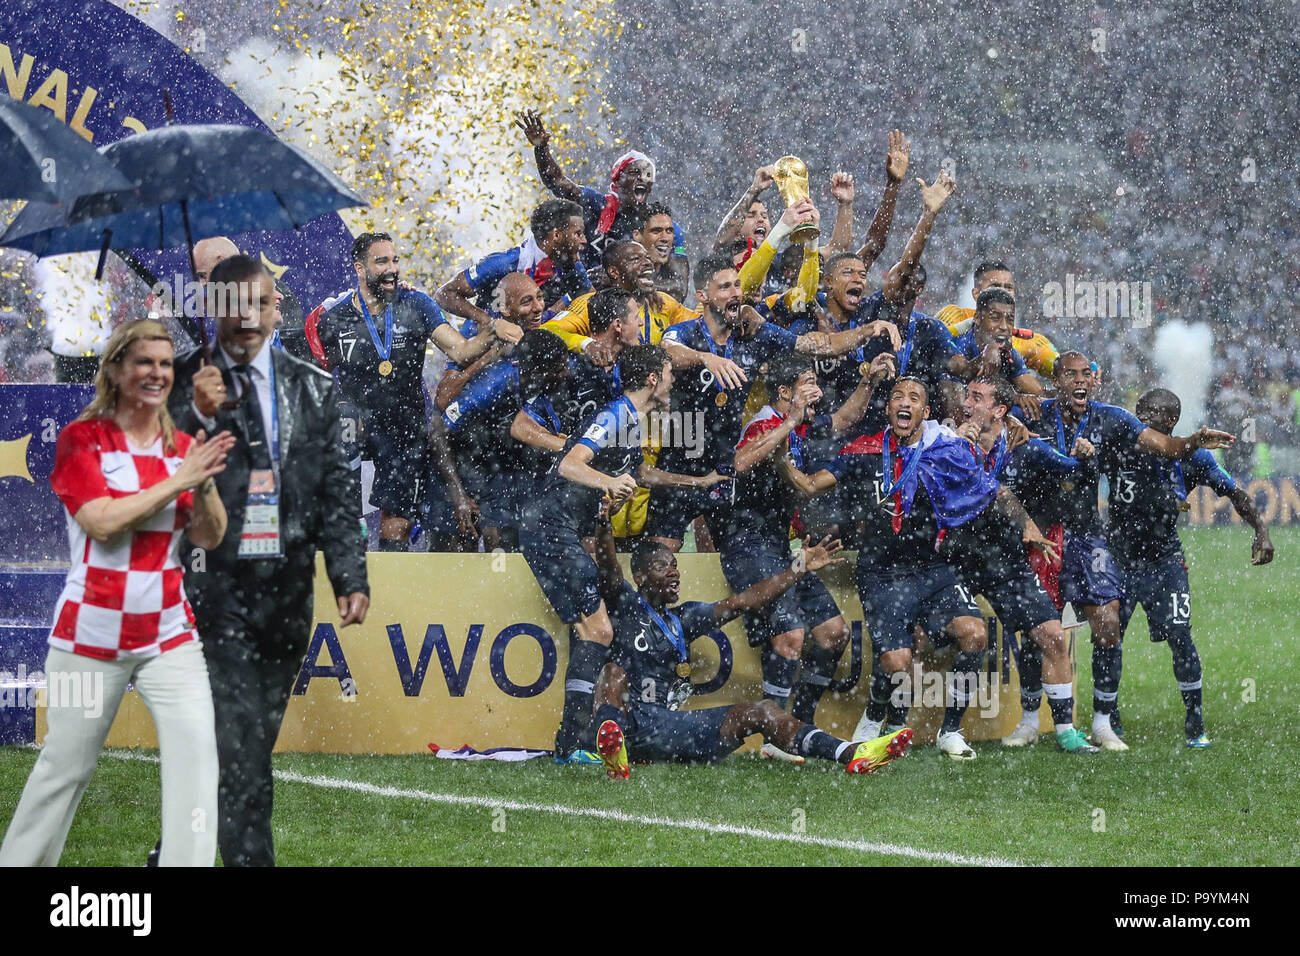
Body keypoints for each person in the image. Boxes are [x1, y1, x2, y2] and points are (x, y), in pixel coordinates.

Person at [0, 320, 234, 867]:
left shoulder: (182, 446)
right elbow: (103, 522)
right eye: (143, 362)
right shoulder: (81, 440)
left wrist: (201, 480)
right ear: (115, 370)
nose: (156, 373)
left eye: (165, 363)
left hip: (169, 637)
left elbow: (210, 534)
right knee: (66, 766)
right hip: (90, 633)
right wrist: (179, 480)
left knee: (198, 761)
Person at [168, 254, 370, 866]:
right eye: (236, 304)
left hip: (287, 588)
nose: (249, 317)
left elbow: (336, 487)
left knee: (248, 744)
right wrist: (194, 413)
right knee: (239, 743)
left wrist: (349, 574)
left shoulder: (313, 384)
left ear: (276, 308)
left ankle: (172, 853)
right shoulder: (178, 382)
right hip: (214, 584)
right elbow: (149, 470)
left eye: (261, 303)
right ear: (212, 308)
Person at [782, 376, 1100, 754]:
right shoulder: (864, 450)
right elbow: (809, 484)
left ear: (925, 413)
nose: (904, 402)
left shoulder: (945, 450)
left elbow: (996, 490)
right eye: (897, 397)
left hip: (932, 568)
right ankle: (874, 715)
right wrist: (779, 451)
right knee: (898, 660)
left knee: (975, 634)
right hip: (881, 572)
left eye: (914, 398)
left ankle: (949, 731)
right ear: (887, 410)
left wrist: (1025, 523)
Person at [519, 344, 726, 761]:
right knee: (599, 631)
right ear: (653, 378)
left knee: (588, 631)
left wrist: (696, 482)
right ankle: (573, 743)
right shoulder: (615, 414)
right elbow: (570, 464)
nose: (672, 380)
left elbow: (640, 473)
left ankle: (571, 744)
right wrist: (606, 485)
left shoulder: (634, 421)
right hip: (549, 525)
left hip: (551, 528)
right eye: (668, 373)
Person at [588, 515, 914, 778]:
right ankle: (612, 742)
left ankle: (851, 753)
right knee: (612, 672)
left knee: (764, 710)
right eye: (662, 567)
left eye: (674, 565)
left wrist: (797, 569)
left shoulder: (684, 618)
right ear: (641, 576)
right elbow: (608, 567)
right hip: (631, 723)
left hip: (669, 728)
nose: (674, 572)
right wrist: (604, 521)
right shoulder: (625, 607)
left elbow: (745, 600)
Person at [1034, 352, 1235, 751]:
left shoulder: (1116, 423)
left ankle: (1114, 721)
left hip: (1125, 550)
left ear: (1095, 380)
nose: (1078, 380)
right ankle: (1031, 718)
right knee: (1041, 628)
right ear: (1055, 380)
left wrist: (1193, 441)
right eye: (1069, 374)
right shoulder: (1037, 413)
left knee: (1123, 631)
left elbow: (1173, 450)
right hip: (1060, 538)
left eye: (1084, 374)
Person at [649, 252, 901, 553]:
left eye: (737, 286)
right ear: (702, 295)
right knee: (662, 556)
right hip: (680, 460)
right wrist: (705, 358)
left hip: (726, 464)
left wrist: (867, 330)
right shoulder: (687, 333)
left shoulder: (753, 335)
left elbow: (816, 345)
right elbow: (667, 351)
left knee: (733, 555)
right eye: (725, 287)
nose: (736, 293)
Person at [306, 232, 521, 551]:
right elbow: (315, 375)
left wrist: (491, 332)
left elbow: (460, 351)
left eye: (395, 259)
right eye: (382, 261)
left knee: (399, 522)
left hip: (402, 428)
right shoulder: (336, 318)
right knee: (344, 518)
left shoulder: (416, 304)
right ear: (360, 269)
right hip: (355, 427)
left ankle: (390, 595)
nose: (392, 268)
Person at [723, 351, 892, 757]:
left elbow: (846, 420)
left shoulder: (801, 425)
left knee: (834, 635)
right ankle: (773, 736)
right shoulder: (764, 423)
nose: (817, 390)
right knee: (789, 639)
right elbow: (739, 464)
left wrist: (869, 380)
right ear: (784, 392)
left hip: (780, 548)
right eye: (808, 383)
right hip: (747, 546)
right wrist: (789, 423)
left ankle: (798, 723)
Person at [1101, 387, 1273, 748]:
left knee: (1181, 638)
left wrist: (1261, 531)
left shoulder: (1193, 458)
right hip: (1118, 560)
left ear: (1172, 421)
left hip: (1165, 562)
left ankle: (1195, 723)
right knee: (1108, 637)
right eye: (1141, 412)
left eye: (1154, 415)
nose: (1144, 420)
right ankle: (1108, 718)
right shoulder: (1121, 442)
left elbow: (1236, 494)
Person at [432, 329, 571, 551]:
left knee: (500, 543)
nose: (566, 373)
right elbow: (438, 432)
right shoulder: (491, 385)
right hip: (454, 465)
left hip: (492, 465)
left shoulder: (537, 382)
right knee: (459, 546)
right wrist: (459, 496)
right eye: (559, 368)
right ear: (536, 370)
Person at [515, 109, 681, 269]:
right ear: (618, 178)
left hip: (629, 295)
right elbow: (557, 182)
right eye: (634, 172)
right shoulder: (594, 204)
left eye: (647, 174)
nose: (641, 178)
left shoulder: (660, 227)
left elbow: (676, 283)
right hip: (583, 291)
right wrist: (541, 148)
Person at [434, 198, 591, 327]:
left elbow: (589, 299)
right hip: (487, 351)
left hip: (531, 347)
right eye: (578, 234)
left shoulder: (571, 264)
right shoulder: (504, 264)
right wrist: (488, 321)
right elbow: (444, 294)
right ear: (556, 235)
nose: (584, 240)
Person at [937, 261, 1059, 379]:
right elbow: (931, 343)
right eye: (994, 286)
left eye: (1008, 287)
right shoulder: (954, 315)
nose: (1002, 292)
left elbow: (1066, 371)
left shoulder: (1029, 342)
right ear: (976, 294)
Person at [949, 288, 1044, 416]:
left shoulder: (1008, 352)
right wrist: (1012, 398)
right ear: (977, 318)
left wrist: (1023, 398)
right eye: (995, 318)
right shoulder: (957, 347)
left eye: (1010, 320)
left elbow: (1038, 393)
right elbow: (959, 407)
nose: (1004, 326)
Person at [631, 202, 689, 302]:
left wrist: (641, 285)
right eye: (656, 231)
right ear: (637, 235)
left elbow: (680, 289)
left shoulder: (676, 236)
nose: (664, 238)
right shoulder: (623, 253)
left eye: (669, 231)